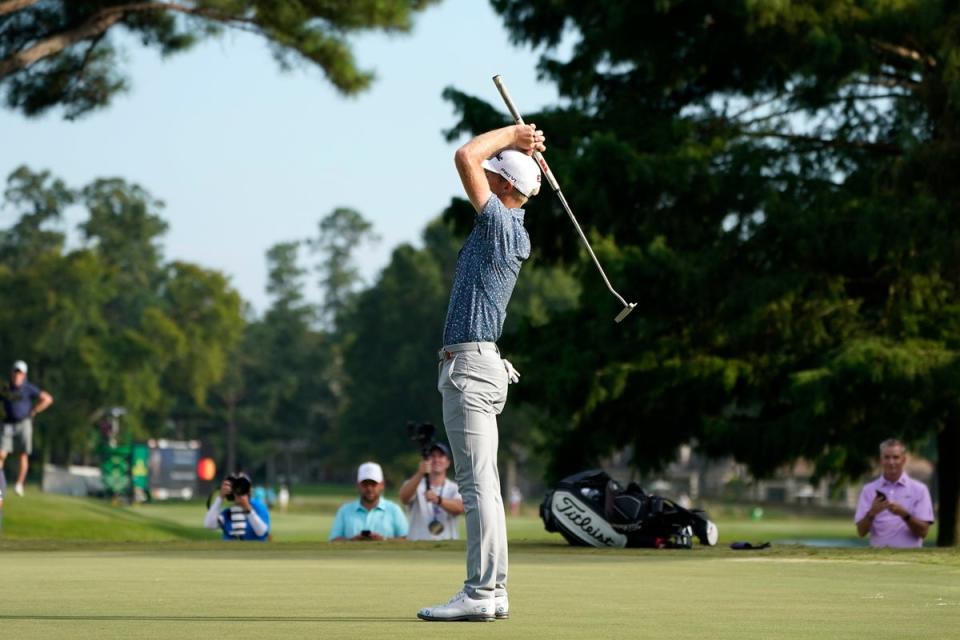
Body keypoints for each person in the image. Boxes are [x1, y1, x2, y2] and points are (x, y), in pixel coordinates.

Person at [418, 123, 545, 622]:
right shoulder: (511, 229)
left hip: (471, 368)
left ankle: (480, 590)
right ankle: (493, 592)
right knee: (485, 486)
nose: (486, 180)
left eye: (496, 177)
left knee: (476, 488)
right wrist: (522, 152)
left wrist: (513, 135)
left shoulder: (501, 226)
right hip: (480, 365)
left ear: (507, 187)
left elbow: (465, 156)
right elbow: (480, 165)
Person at [854, 438, 934, 548]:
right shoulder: (869, 490)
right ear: (881, 460)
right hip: (878, 558)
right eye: (887, 457)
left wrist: (904, 515)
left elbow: (923, 532)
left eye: (896, 457)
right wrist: (872, 513)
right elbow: (861, 532)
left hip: (910, 558)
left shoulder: (920, 489)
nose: (891, 462)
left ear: (903, 460)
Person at [1, 360, 53, 497]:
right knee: (1, 453)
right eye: (16, 372)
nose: (17, 375)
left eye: (20, 373)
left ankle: (19, 484)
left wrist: (35, 410)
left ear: (24, 375)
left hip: (24, 423)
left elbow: (48, 399)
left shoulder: (29, 388)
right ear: (12, 373)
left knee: (22, 455)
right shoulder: (6, 388)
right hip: (7, 424)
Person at [398, 442, 464, 541]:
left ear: (448, 462)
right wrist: (420, 473)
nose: (436, 460)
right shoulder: (415, 484)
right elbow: (404, 498)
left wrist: (439, 500)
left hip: (447, 544)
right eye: (432, 456)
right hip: (417, 544)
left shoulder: (455, 488)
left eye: (441, 456)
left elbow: (460, 508)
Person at [329, 462, 408, 541]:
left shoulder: (394, 510)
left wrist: (384, 540)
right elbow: (333, 540)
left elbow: (406, 539)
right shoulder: (344, 510)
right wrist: (352, 541)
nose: (369, 489)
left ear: (382, 485)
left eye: (373, 484)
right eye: (365, 484)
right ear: (358, 485)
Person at [203, 472, 271, 541]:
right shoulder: (228, 512)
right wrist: (220, 497)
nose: (238, 490)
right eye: (235, 487)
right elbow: (209, 525)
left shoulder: (258, 507)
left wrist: (248, 508)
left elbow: (262, 532)